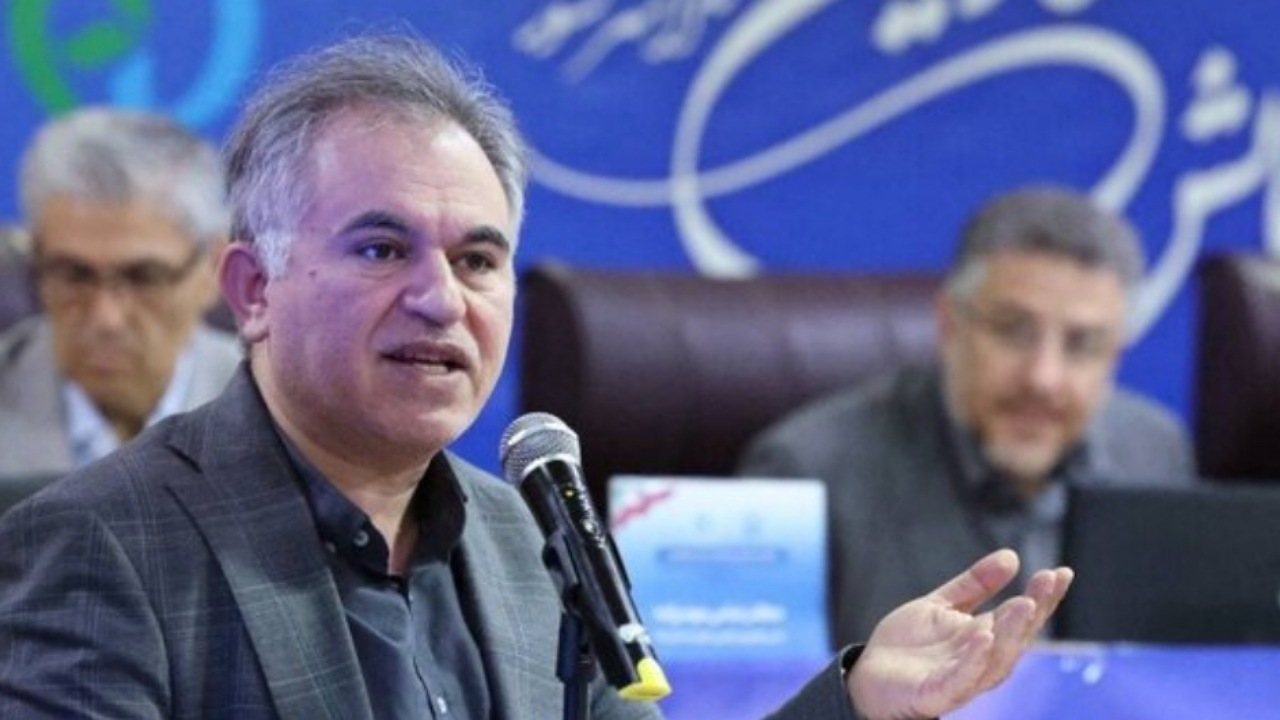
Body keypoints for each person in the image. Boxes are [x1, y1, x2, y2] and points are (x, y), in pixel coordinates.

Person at [0, 34, 1071, 720]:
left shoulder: (528, 535)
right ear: (252, 290)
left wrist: (855, 702)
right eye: (381, 249)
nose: (439, 299)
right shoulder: (100, 545)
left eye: (477, 260)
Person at [738, 187, 1192, 648]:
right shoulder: (809, 472)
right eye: (1013, 331)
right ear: (950, 324)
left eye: (1082, 345)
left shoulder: (1155, 452)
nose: (1043, 378)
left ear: (1116, 354)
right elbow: (763, 686)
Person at [0, 108, 240, 482]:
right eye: (73, 275)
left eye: (144, 277)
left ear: (214, 268)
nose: (106, 319)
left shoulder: (289, 417)